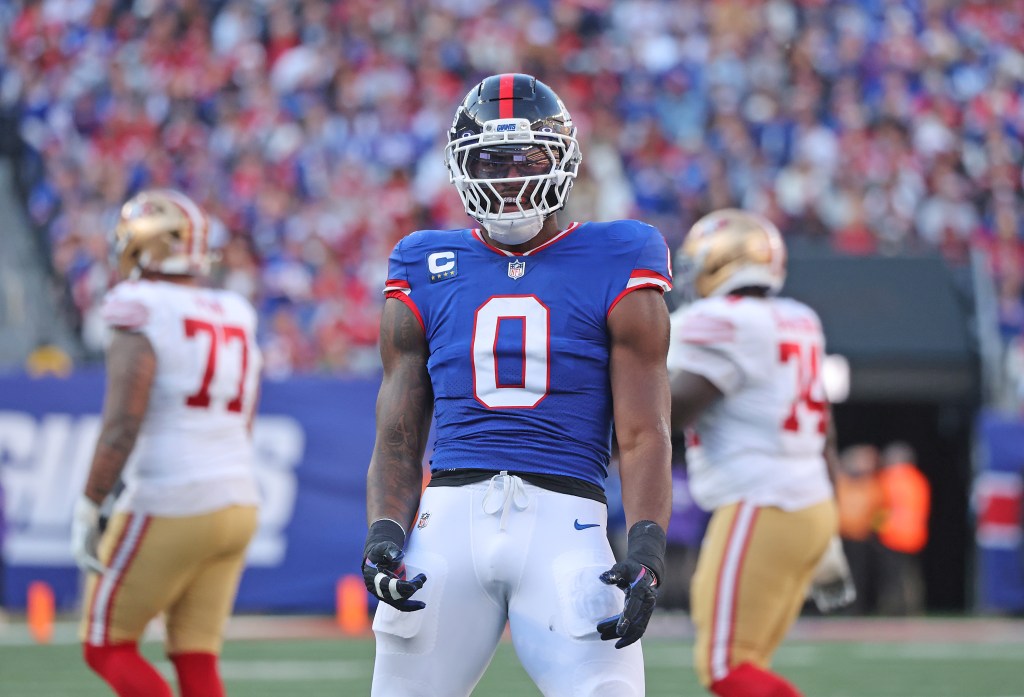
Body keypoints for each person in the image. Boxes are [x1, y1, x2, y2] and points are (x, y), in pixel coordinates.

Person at [360, 73, 673, 697]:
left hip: (568, 527)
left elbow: (644, 431)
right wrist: (384, 533)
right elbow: (397, 434)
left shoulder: (621, 252)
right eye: (488, 161)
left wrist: (647, 547)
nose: (506, 178)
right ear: (459, 167)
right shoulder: (422, 261)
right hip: (444, 526)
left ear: (563, 162)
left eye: (523, 158)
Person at [70, 189, 263, 697]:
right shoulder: (235, 311)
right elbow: (246, 420)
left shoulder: (140, 306)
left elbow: (121, 425)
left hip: (172, 497)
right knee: (195, 656)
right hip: (239, 497)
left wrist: (91, 502)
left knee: (105, 645)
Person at [667, 209, 853, 697]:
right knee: (749, 663)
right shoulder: (800, 318)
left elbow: (674, 410)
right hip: (808, 504)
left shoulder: (720, 321)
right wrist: (829, 535)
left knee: (726, 668)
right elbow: (825, 436)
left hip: (762, 502)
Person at [875, 441, 930, 615]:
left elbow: (879, 506)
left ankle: (893, 608)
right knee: (909, 573)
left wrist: (874, 528)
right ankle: (912, 607)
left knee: (892, 576)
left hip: (892, 535)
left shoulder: (887, 479)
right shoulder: (918, 479)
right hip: (915, 535)